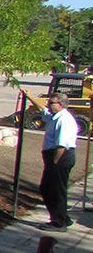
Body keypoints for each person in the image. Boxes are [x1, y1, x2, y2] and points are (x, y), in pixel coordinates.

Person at [33, 91, 78, 230]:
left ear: (61, 104)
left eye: (51, 102)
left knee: (54, 189)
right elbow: (43, 111)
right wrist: (28, 95)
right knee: (47, 188)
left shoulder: (64, 120)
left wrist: (54, 162)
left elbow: (61, 145)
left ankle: (59, 223)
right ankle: (63, 217)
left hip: (60, 157)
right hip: (54, 156)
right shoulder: (54, 116)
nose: (48, 104)